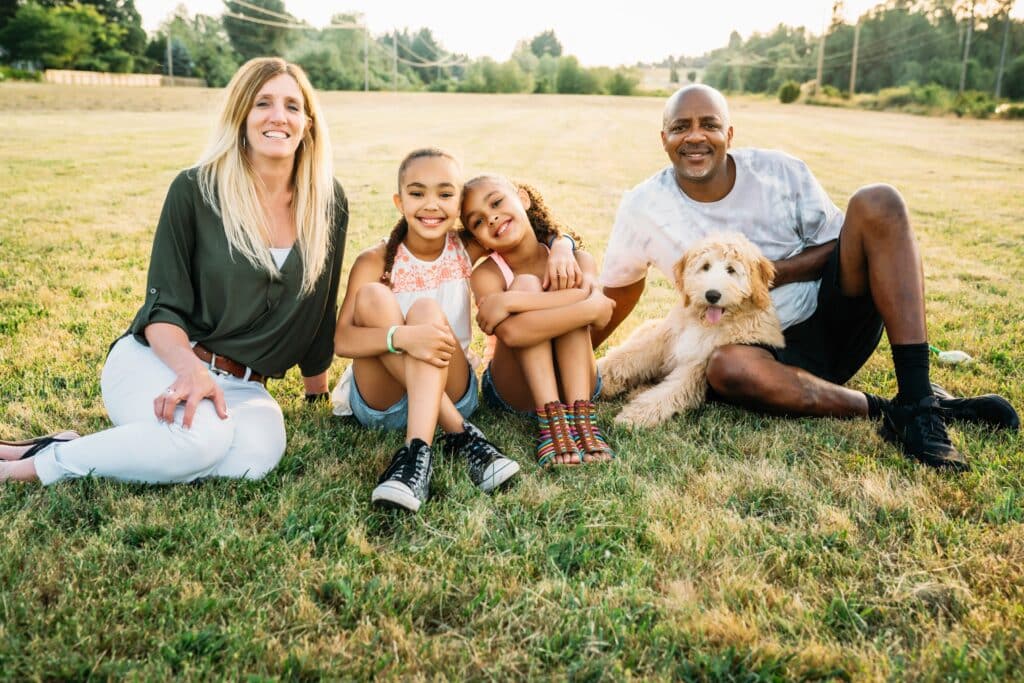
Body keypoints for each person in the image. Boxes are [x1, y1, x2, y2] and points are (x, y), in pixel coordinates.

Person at [593, 84, 1018, 472]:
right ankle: (895, 410)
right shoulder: (644, 206)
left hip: (832, 321)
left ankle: (920, 400)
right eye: (680, 127)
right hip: (758, 357)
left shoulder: (780, 173)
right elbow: (618, 291)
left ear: (730, 134)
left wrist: (769, 277)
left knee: (879, 200)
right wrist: (574, 363)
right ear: (663, 138)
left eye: (710, 125)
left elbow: (843, 245)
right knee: (726, 367)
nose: (695, 137)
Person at [0, 58, 347, 484]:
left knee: (251, 463)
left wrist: (318, 390)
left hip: (246, 387)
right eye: (263, 103)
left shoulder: (327, 203)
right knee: (201, 440)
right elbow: (162, 310)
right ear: (241, 116)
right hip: (161, 360)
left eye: (293, 106)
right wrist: (190, 371)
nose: (279, 117)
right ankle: (31, 468)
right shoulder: (195, 190)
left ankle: (79, 445)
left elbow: (321, 305)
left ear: (309, 123)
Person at [332, 149, 580, 512]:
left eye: (445, 194)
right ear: (399, 201)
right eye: (417, 194)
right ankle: (462, 436)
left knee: (426, 311)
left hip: (452, 384)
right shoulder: (374, 260)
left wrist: (562, 245)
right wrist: (401, 337)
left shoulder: (465, 246)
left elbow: (525, 226)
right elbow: (341, 340)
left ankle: (415, 458)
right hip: (383, 401)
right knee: (373, 297)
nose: (431, 205)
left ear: (458, 203)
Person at [461, 174, 617, 469]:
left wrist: (509, 301)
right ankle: (552, 423)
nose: (491, 218)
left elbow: (600, 311)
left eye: (496, 202)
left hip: (579, 384)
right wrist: (586, 305)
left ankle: (583, 422)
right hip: (516, 388)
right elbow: (515, 334)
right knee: (529, 284)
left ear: (522, 198)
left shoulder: (575, 259)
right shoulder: (488, 274)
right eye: (477, 222)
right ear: (477, 239)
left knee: (559, 282)